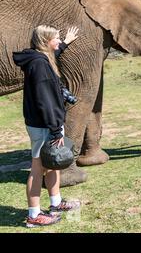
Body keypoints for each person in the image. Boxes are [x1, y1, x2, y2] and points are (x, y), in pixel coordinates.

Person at [13, 25, 81, 227]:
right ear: (45, 41)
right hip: (44, 124)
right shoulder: (39, 64)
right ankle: (34, 215)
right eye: (57, 38)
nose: (59, 41)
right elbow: (45, 100)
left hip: (47, 123)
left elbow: (53, 53)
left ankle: (56, 203)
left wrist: (66, 42)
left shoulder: (40, 58)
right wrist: (54, 128)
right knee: (38, 167)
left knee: (52, 164)